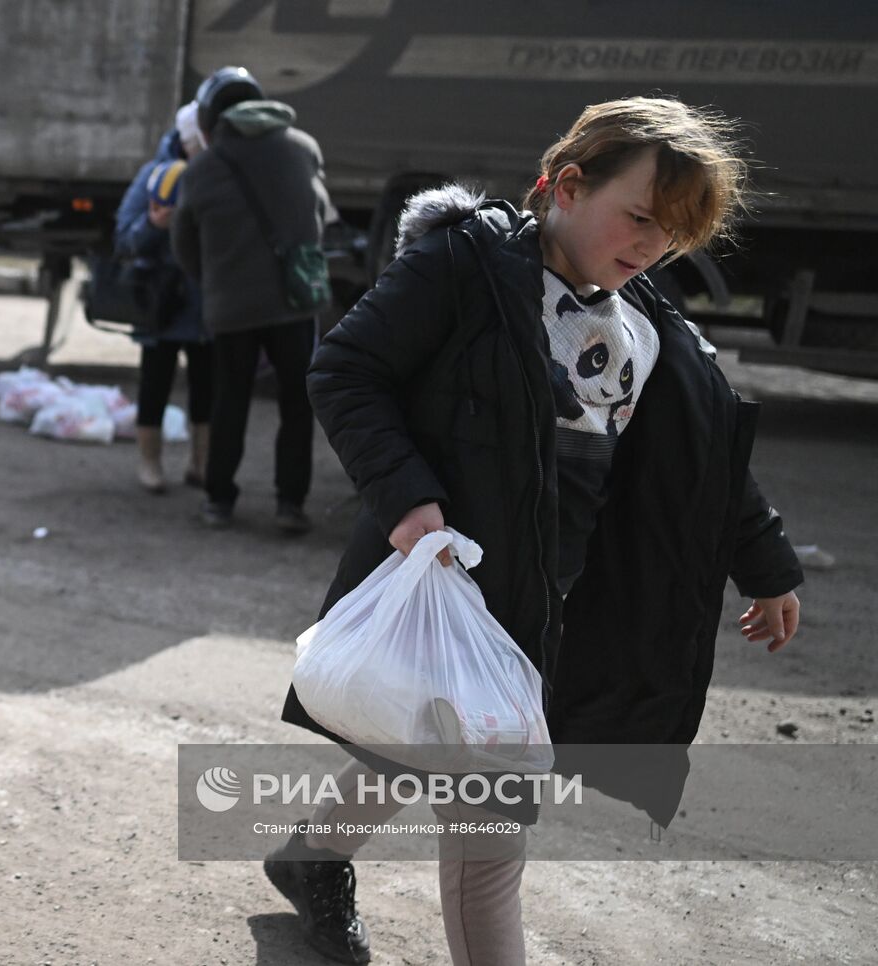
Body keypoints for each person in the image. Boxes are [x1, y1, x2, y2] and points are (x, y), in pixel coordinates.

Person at [268, 97, 804, 966]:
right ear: (566, 185)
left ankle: (310, 857)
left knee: (418, 735)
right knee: (489, 837)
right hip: (454, 576)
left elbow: (703, 457)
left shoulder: (646, 315)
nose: (651, 246)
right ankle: (313, 859)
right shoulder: (465, 264)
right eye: (639, 218)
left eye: (672, 233)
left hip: (554, 603)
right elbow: (346, 369)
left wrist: (766, 562)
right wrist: (407, 501)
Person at [172, 66, 330, 533]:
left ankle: (219, 499)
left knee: (230, 400)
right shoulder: (303, 149)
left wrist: (215, 280)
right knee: (297, 403)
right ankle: (290, 504)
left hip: (231, 307)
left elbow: (183, 242)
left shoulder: (201, 168)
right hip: (294, 302)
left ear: (210, 117)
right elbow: (319, 214)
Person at [114, 103, 212, 492]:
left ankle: (201, 463)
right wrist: (154, 225)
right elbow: (124, 237)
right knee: (155, 383)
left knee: (207, 387)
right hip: (163, 303)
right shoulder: (156, 175)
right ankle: (150, 463)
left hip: (207, 304)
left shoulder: (217, 173)